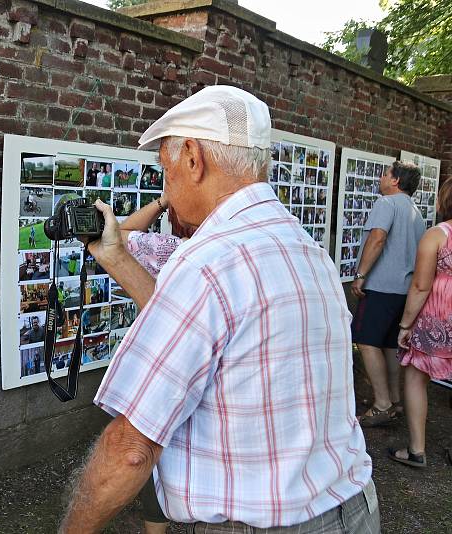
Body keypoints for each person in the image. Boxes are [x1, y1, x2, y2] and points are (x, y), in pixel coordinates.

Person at [61, 86, 376, 534]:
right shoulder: (306, 249)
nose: (166, 187)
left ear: (192, 157)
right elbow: (205, 338)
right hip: (351, 510)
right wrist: (115, 258)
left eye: (164, 170)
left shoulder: (208, 261)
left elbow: (132, 447)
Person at [351, 161, 425, 426]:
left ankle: (381, 403)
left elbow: (378, 238)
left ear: (395, 181)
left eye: (385, 174)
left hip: (381, 286)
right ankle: (394, 401)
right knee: (390, 344)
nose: (381, 178)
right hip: (404, 290)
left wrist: (360, 275)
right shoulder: (416, 211)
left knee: (365, 340)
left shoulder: (387, 203)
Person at [389, 179, 452, 467]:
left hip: (438, 318)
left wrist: (405, 325)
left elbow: (420, 286)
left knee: (415, 376)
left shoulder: (437, 235)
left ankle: (416, 450)